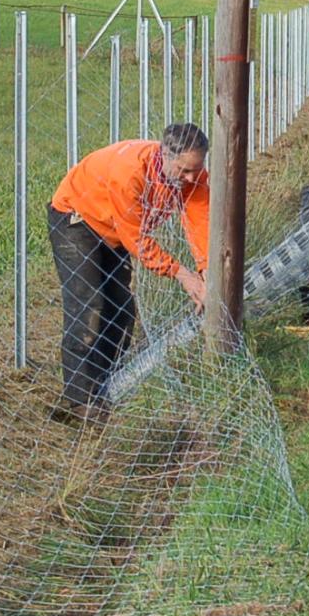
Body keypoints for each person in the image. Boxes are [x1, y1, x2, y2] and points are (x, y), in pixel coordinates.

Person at [46, 123, 211, 422]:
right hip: (77, 218)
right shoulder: (130, 173)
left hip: (115, 230)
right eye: (184, 171)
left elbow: (200, 222)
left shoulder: (193, 177)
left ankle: (108, 384)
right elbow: (136, 240)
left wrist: (207, 273)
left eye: (195, 171)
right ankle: (80, 400)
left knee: (121, 310)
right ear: (165, 156)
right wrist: (183, 275)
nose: (190, 178)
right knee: (89, 305)